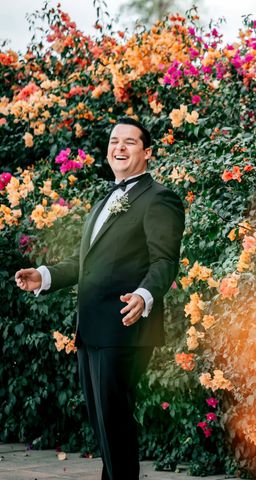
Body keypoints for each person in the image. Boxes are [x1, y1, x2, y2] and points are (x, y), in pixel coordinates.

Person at [15, 117, 186, 480]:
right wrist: (43, 276)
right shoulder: (105, 199)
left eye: (130, 142)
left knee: (116, 425)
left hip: (124, 325)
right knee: (105, 427)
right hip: (92, 329)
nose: (119, 148)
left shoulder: (159, 198)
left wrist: (144, 294)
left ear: (148, 152)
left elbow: (165, 260)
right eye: (114, 142)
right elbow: (85, 263)